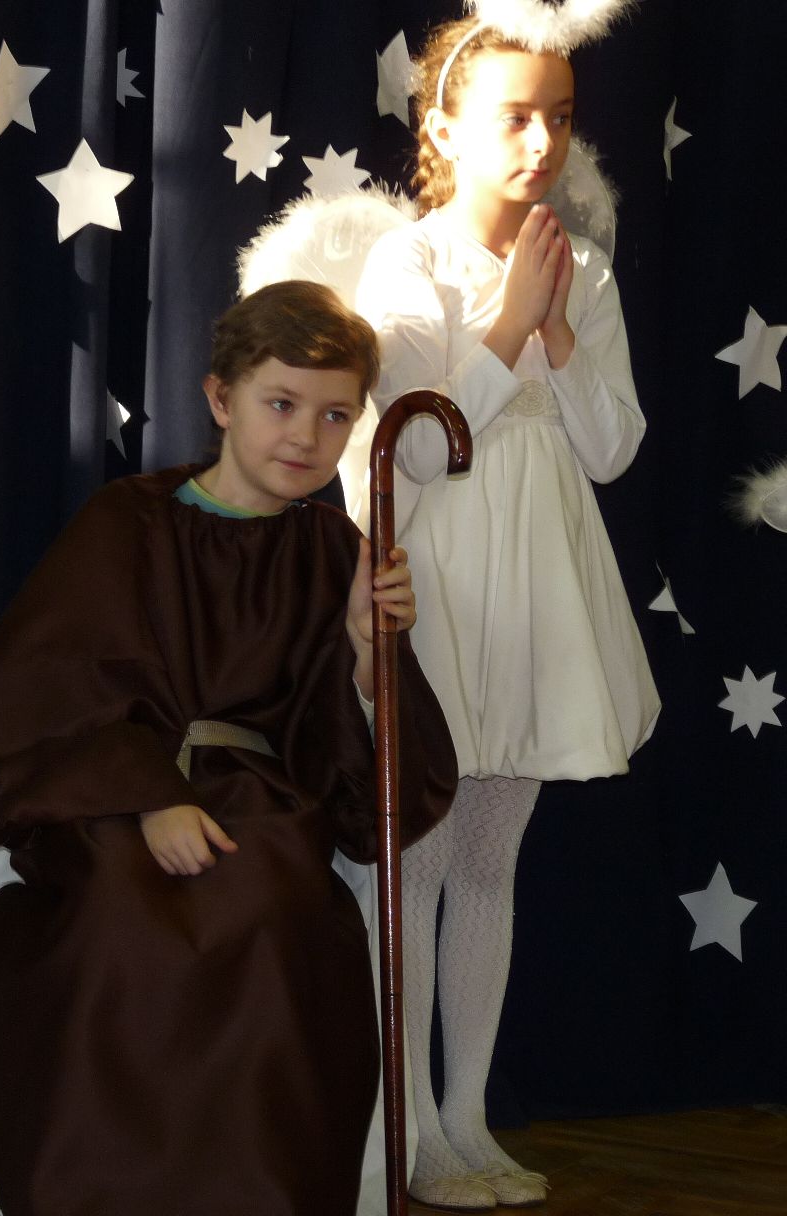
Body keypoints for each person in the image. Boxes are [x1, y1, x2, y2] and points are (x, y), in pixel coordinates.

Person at [0, 280, 457, 1216]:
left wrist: (368, 650)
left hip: (263, 807)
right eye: (282, 404)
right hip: (112, 801)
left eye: (335, 415)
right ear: (222, 399)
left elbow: (368, 785)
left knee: (271, 903)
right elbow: (48, 690)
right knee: (122, 915)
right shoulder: (128, 523)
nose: (305, 437)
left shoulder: (335, 549)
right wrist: (150, 794)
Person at [353, 13, 658, 1210]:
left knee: (491, 859)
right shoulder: (412, 264)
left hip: (543, 581)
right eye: (515, 117)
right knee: (419, 857)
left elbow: (612, 448)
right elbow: (414, 452)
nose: (543, 142)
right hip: (445, 579)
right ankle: (409, 1125)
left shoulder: (589, 270)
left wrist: (561, 328)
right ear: (445, 128)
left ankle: (468, 1115)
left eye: (561, 117)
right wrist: (508, 322)